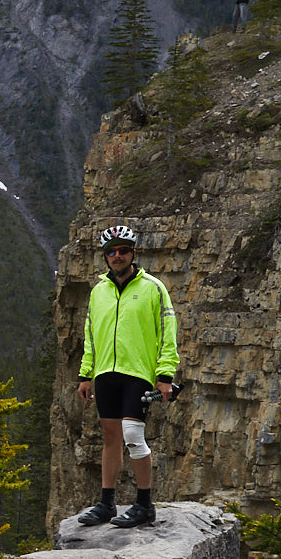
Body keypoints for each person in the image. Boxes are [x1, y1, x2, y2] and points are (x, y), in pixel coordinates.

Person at [74, 224, 179, 529]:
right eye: (111, 252)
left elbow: (168, 333)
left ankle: (144, 504)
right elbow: (90, 336)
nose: (117, 256)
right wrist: (85, 374)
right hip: (106, 373)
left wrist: (165, 375)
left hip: (139, 373)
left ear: (134, 252)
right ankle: (107, 503)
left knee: (133, 435)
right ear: (105, 257)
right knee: (110, 438)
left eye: (122, 250)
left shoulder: (153, 288)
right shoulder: (99, 292)